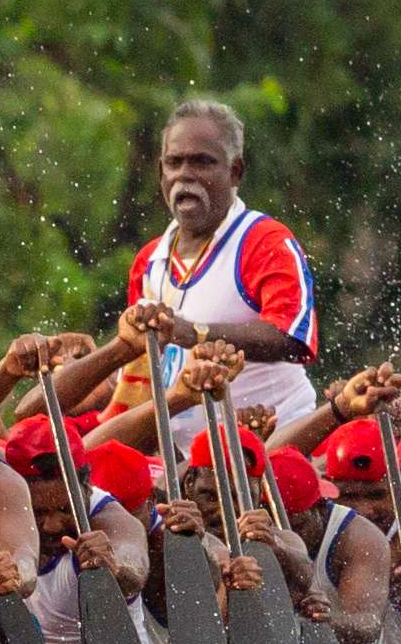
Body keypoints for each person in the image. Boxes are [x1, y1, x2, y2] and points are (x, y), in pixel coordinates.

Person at [112, 99, 320, 442]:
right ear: (160, 171)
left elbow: (292, 339)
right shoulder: (148, 261)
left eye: (202, 162)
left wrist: (195, 333)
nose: (184, 175)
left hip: (276, 445)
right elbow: (139, 368)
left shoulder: (264, 241)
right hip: (188, 458)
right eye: (174, 162)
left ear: (235, 172)